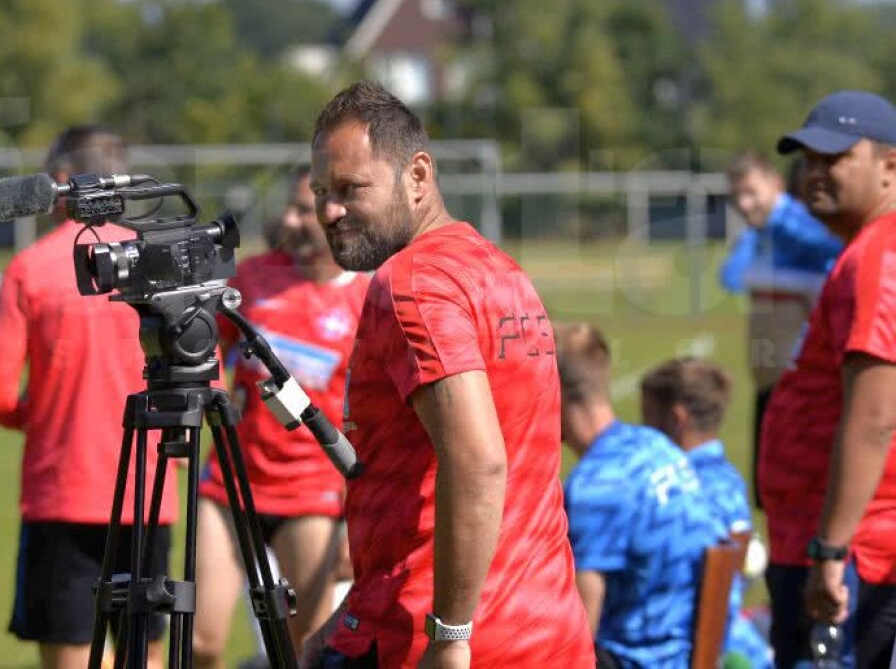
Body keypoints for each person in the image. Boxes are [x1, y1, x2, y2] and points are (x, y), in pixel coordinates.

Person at [300, 81, 592, 668]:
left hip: (448, 642)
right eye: (321, 192)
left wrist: (450, 635)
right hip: (548, 629)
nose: (330, 211)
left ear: (417, 174)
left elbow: (479, 461)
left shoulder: (409, 281)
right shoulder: (501, 270)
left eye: (352, 188)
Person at [0, 125, 173, 669]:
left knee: (71, 650)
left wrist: (47, 418)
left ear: (64, 181)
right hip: (146, 490)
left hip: (62, 489)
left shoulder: (30, 267)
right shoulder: (157, 260)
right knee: (147, 652)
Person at [193, 166, 368, 667]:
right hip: (229, 487)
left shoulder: (364, 301)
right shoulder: (254, 276)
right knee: (200, 641)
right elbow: (211, 358)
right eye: (290, 207)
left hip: (311, 496)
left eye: (301, 210)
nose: (288, 220)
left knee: (299, 651)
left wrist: (356, 523)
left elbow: (374, 425)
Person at [758, 90, 896, 668]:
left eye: (835, 158)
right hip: (826, 540)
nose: (815, 171)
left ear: (889, 165)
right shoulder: (861, 251)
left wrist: (831, 550)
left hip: (848, 552)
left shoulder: (878, 258)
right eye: (808, 159)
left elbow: (874, 418)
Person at [557, 323, 725, 668]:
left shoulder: (597, 485)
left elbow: (579, 635)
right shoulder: (659, 446)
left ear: (551, 391)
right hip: (684, 651)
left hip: (633, 659)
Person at [719, 150, 841, 506]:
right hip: (770, 375)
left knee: (792, 485)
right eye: (736, 195)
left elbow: (833, 256)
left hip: (798, 377)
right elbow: (730, 276)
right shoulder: (762, 231)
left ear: (775, 185)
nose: (743, 203)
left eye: (751, 192)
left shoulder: (796, 225)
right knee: (770, 485)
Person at [640, 357, 773, 668]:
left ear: (676, 418)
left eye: (648, 418)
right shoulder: (728, 479)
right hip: (731, 638)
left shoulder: (680, 488)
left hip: (687, 648)